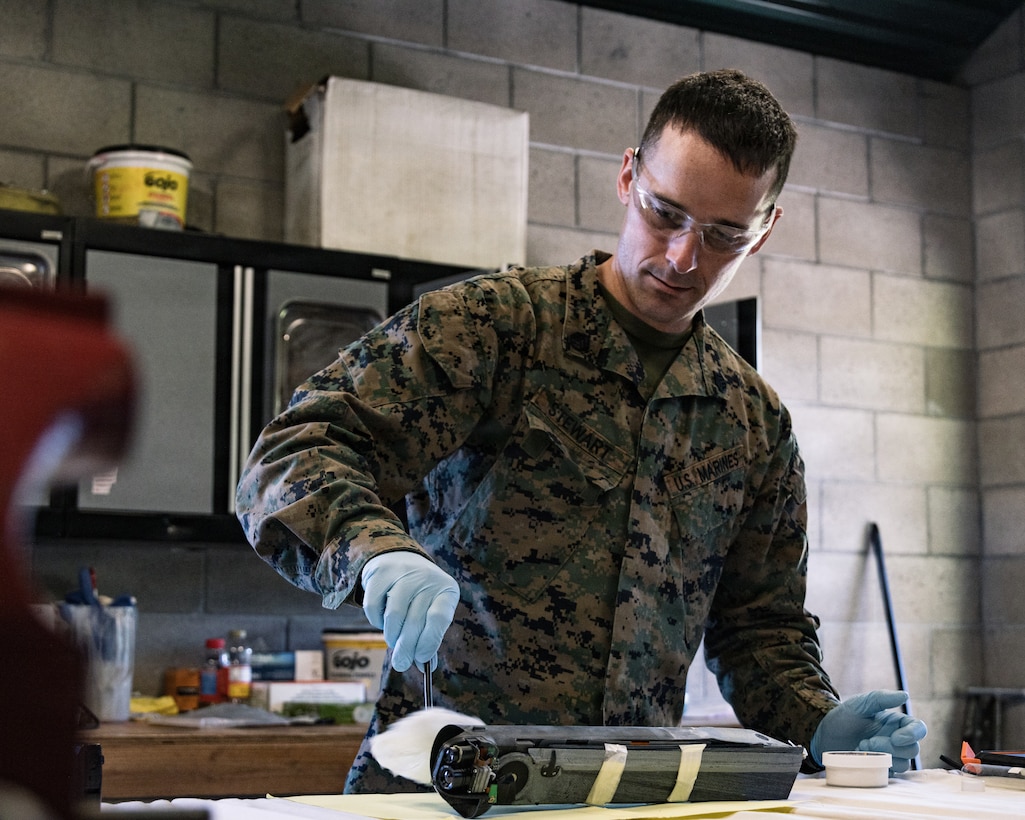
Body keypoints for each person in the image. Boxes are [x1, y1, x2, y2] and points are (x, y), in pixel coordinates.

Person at [236, 69, 926, 794]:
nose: (683, 257)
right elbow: (295, 450)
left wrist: (818, 723)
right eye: (665, 213)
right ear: (628, 177)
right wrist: (375, 552)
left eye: (724, 235)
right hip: (441, 787)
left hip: (623, 796)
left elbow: (760, 628)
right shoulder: (493, 330)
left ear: (764, 231)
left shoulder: (751, 422)